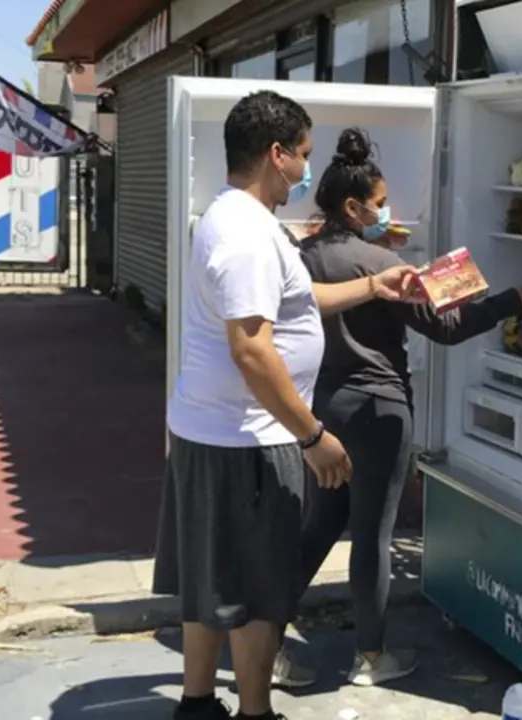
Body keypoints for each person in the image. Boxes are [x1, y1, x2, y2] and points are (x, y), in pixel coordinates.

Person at [152, 94, 419, 720]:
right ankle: (254, 711)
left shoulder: (237, 220)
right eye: (301, 155)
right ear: (276, 155)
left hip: (211, 430)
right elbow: (251, 349)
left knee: (213, 581)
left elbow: (297, 302)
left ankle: (196, 703)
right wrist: (312, 436)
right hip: (247, 443)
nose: (305, 169)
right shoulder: (248, 236)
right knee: (256, 592)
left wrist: (373, 285)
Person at [274, 128, 522, 687]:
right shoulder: (379, 263)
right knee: (372, 533)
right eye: (381, 205)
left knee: (322, 522)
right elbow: (447, 328)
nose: (389, 214)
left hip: (320, 409)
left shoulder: (301, 254)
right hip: (379, 409)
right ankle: (371, 656)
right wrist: (517, 299)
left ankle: (265, 638)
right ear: (355, 207)